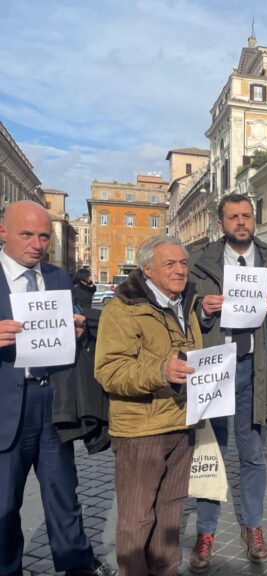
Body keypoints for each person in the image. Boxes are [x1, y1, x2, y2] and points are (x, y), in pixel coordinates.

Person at [0, 200, 114, 576]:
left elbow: (74, 332)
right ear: (3, 233)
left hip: (56, 403)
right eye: (27, 234)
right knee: (3, 505)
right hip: (7, 408)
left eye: (44, 236)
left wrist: (79, 332)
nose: (37, 243)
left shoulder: (59, 278)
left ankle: (77, 564)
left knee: (64, 494)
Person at [187, 193, 267, 570]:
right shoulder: (201, 263)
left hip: (255, 369)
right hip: (215, 366)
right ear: (221, 223)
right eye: (234, 217)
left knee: (253, 456)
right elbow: (181, 313)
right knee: (210, 453)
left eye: (247, 215)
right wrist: (201, 307)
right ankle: (206, 532)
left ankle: (253, 526)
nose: (241, 222)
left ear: (254, 219)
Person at [94, 235, 201, 576]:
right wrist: (159, 371)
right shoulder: (122, 308)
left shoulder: (186, 303)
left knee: (172, 511)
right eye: (169, 263)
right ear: (147, 269)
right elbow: (109, 371)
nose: (179, 270)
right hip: (141, 429)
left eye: (183, 263)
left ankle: (166, 569)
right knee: (137, 517)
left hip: (183, 423)